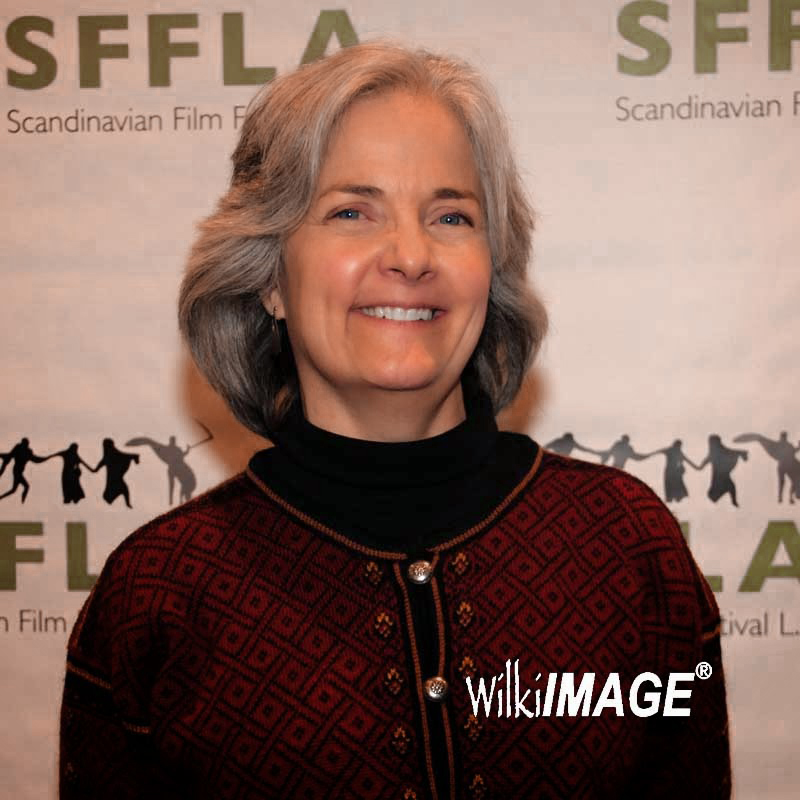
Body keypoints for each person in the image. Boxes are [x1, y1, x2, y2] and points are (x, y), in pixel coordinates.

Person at [60, 42, 730, 799]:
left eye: (451, 215)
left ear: (493, 267)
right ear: (269, 278)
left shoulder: (629, 547)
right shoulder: (158, 594)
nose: (411, 256)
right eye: (352, 211)